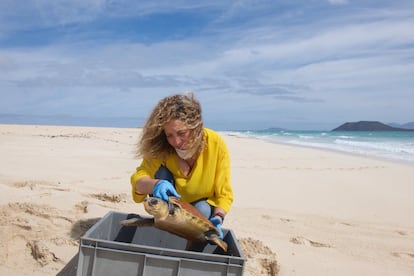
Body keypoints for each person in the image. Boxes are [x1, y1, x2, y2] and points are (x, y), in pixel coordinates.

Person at [130, 92, 233, 246]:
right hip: (168, 208)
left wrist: (218, 217)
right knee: (161, 173)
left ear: (196, 127)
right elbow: (138, 180)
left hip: (199, 211)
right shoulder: (163, 148)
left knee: (203, 209)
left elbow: (224, 194)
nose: (176, 142)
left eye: (181, 133)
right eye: (169, 135)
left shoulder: (216, 145)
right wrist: (156, 184)